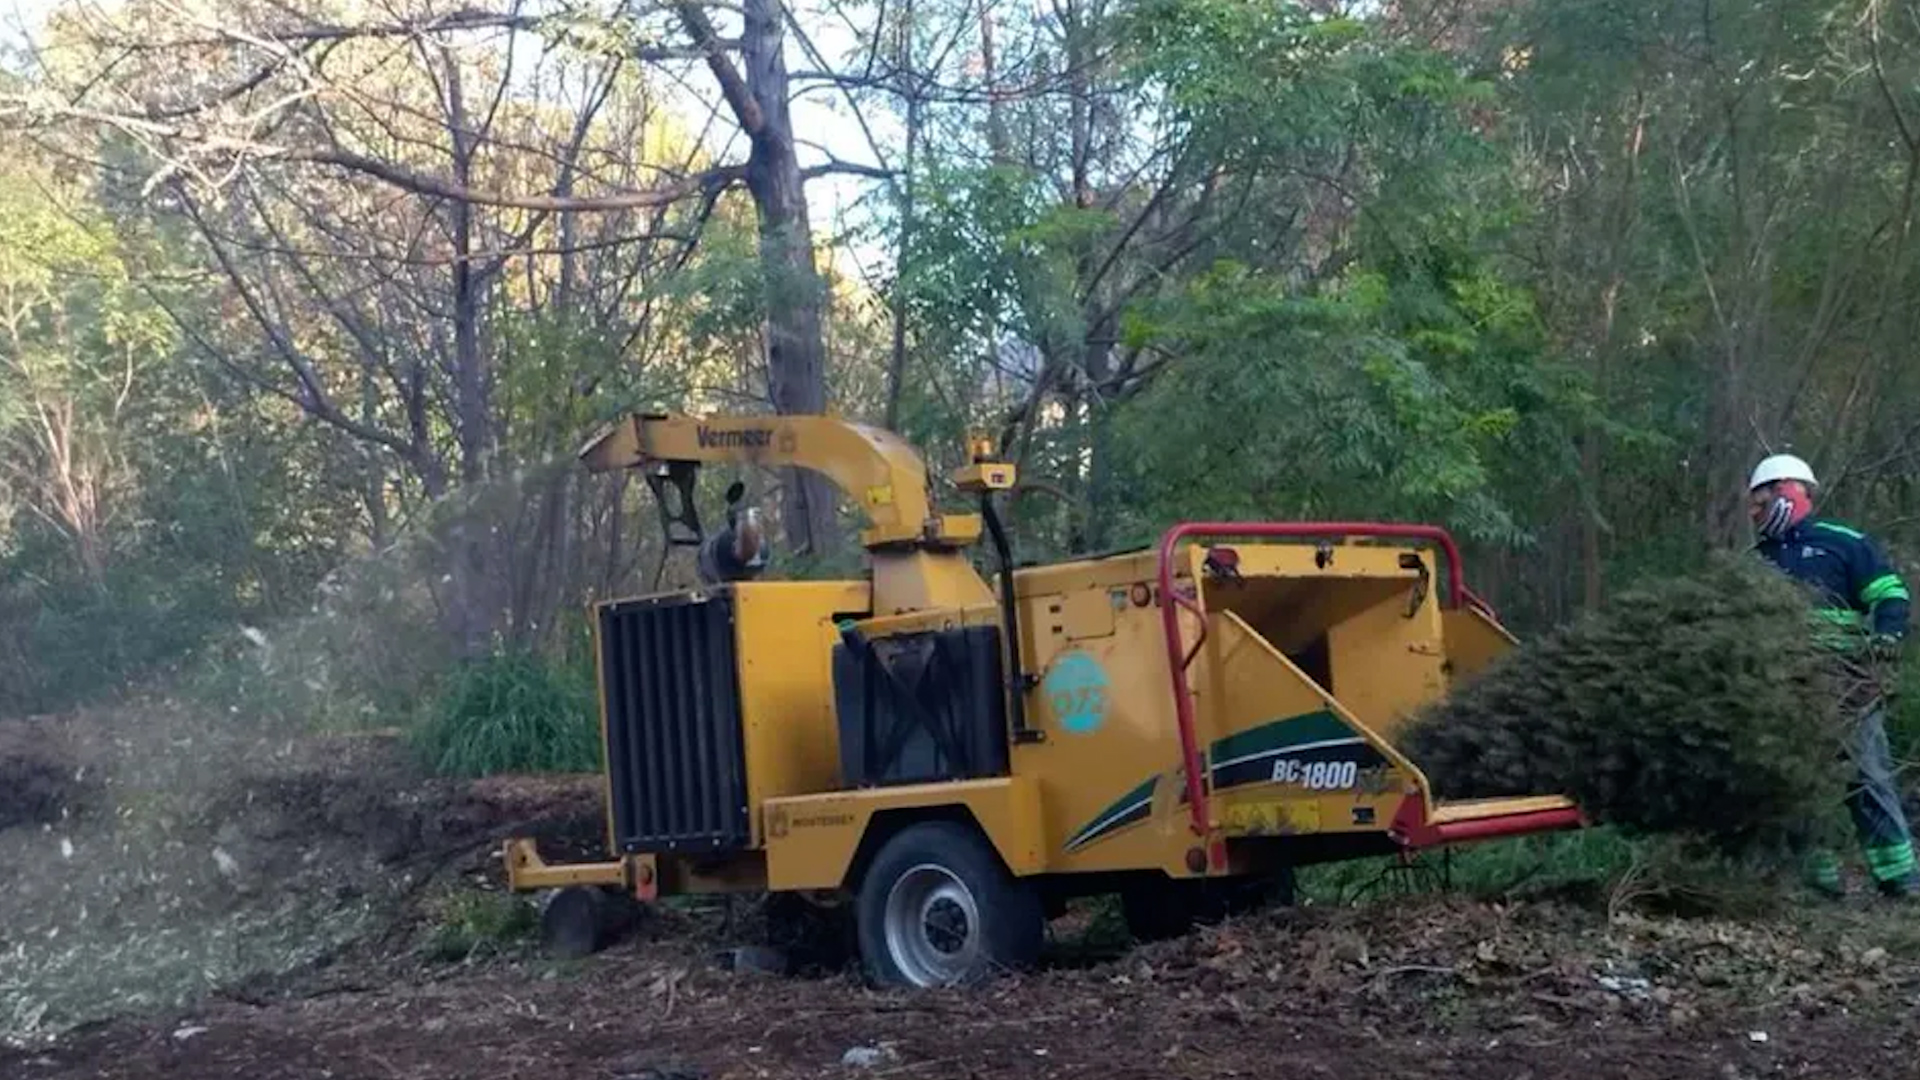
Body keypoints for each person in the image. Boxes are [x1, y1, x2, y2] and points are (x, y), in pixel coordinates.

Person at [1747, 453, 1915, 898]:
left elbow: (1890, 594)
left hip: (1847, 685)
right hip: (1784, 687)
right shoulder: (1756, 560)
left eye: (1761, 499)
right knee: (1796, 781)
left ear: (1790, 491)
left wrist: (1887, 637)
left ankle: (1899, 878)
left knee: (1868, 776)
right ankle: (1817, 881)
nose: (1756, 510)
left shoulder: (1843, 544)